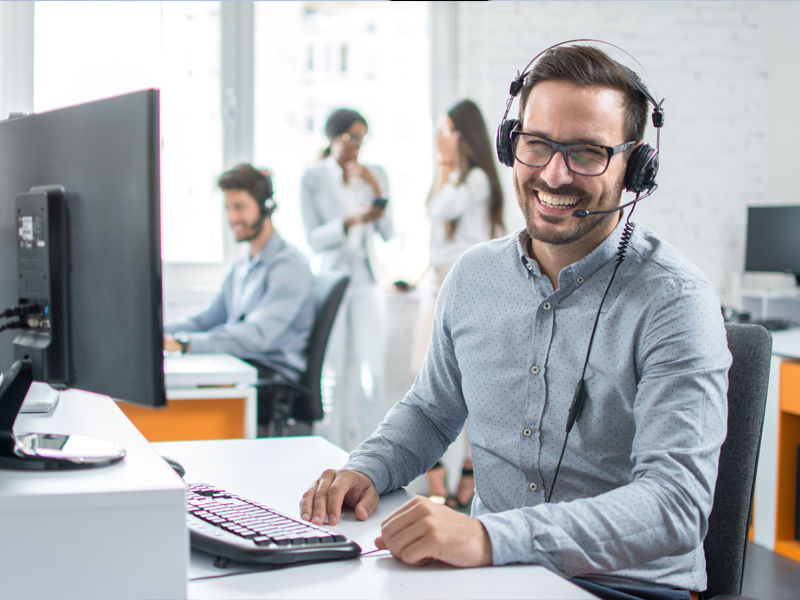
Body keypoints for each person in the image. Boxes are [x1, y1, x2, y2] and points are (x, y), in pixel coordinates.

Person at [300, 44, 731, 599]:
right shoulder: (474, 276)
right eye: (538, 145)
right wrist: (367, 469)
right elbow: (432, 411)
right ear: (511, 145)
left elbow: (676, 505)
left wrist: (488, 538)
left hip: (624, 588)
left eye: (587, 153)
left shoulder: (675, 300)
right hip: (494, 579)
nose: (555, 173)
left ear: (635, 167)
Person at [164, 164, 315, 430]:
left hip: (271, 385)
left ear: (266, 206)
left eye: (240, 207)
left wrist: (184, 344)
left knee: (179, 403)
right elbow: (206, 320)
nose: (232, 217)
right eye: (228, 208)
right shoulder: (242, 264)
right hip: (242, 370)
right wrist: (155, 333)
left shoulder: (289, 267)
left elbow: (256, 335)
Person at [411, 99, 505, 508]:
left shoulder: (479, 180)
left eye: (447, 131)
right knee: (423, 377)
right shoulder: (455, 177)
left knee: (467, 382)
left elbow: (440, 207)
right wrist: (443, 166)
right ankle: (436, 476)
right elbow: (431, 212)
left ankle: (465, 473)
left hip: (463, 287)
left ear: (463, 135)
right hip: (435, 284)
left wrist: (446, 166)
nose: (441, 140)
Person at [300, 108, 393, 452]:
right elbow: (314, 237)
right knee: (331, 374)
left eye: (361, 138)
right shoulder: (313, 177)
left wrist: (374, 188)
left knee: (373, 376)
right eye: (350, 137)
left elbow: (387, 231)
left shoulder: (375, 174)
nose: (356, 145)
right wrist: (350, 221)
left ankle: (378, 458)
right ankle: (328, 455)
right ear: (332, 138)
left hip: (366, 280)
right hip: (332, 280)